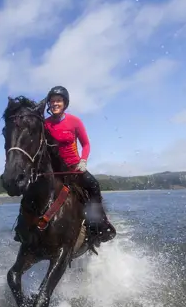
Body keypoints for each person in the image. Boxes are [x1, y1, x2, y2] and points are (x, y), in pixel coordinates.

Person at [14, 85, 116, 243]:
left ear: (65, 103)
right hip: (53, 171)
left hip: (74, 168)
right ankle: (22, 228)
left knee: (94, 186)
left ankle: (98, 225)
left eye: (59, 101)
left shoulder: (75, 122)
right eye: (52, 101)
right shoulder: (45, 124)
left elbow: (86, 144)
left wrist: (83, 160)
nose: (55, 104)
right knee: (29, 189)